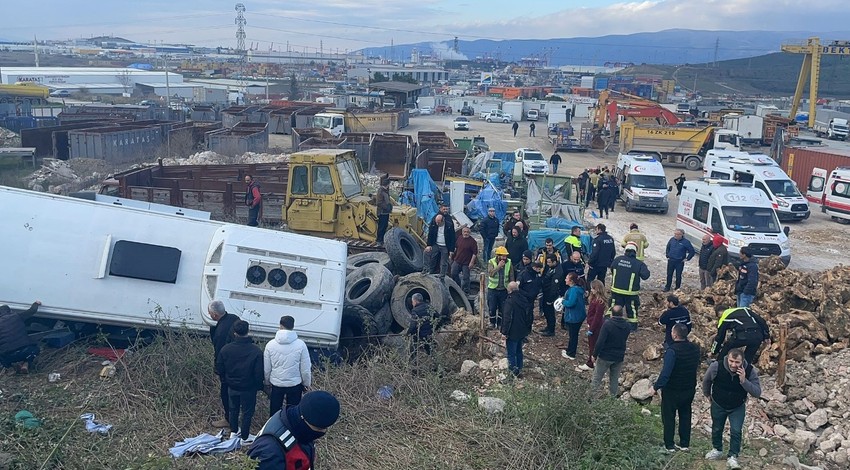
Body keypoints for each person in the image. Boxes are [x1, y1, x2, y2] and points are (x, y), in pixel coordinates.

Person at [248, 391, 340, 470]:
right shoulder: (270, 453)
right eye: (319, 428)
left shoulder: (291, 419)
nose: (323, 432)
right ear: (304, 420)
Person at [702, 349, 762, 470]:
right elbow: (706, 381)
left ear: (742, 361)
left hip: (737, 406)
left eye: (737, 362)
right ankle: (717, 449)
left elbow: (757, 392)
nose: (734, 365)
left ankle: (733, 456)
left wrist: (744, 381)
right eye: (731, 361)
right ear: (727, 359)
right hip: (718, 403)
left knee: (736, 430)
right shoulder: (716, 366)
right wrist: (707, 394)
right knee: (717, 428)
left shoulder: (750, 370)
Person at [653, 323, 701, 453]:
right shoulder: (695, 349)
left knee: (669, 416)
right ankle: (685, 444)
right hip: (689, 387)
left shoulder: (672, 351)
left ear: (674, 334)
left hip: (672, 389)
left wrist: (656, 387)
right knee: (685, 415)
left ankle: (669, 445)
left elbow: (666, 373)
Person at [216, 320, 264, 443]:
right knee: (247, 412)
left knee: (233, 409)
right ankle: (245, 436)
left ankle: (233, 431)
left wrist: (225, 380)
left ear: (234, 332)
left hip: (231, 386)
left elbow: (219, 368)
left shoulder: (225, 349)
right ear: (248, 331)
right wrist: (258, 386)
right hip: (249, 388)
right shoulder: (256, 351)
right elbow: (259, 373)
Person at [264, 316, 312, 416]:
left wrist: (267, 381)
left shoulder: (270, 344)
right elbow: (305, 368)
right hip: (295, 384)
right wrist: (306, 383)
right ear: (293, 326)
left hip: (276, 383)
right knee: (294, 412)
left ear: (280, 325)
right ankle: (291, 430)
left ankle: (273, 429)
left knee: (274, 411)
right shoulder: (301, 345)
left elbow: (267, 368)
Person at [209, 300, 239, 428]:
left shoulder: (220, 331)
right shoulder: (234, 318)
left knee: (226, 393)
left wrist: (218, 369)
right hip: (240, 363)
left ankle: (229, 419)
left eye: (210, 313)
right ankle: (236, 417)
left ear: (215, 315)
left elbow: (219, 352)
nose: (209, 315)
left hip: (228, 368)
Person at [609, 242, 650, 331]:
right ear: (635, 252)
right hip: (631, 292)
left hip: (616, 290)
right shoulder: (638, 264)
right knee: (631, 309)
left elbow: (612, 269)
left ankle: (609, 324)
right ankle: (632, 327)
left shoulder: (617, 260)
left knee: (613, 307)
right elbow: (646, 275)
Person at [591, 305, 630, 397]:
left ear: (612, 314)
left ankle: (591, 399)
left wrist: (594, 355)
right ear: (622, 314)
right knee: (614, 379)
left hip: (605, 356)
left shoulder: (608, 324)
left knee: (597, 378)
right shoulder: (627, 325)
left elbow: (600, 341)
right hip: (619, 356)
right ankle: (612, 400)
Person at [0, 301, 42, 374]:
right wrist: (36, 303)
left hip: (8, 356)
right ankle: (26, 364)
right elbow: (32, 311)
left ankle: (10, 368)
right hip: (25, 351)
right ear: (10, 311)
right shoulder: (17, 316)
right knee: (36, 349)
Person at [501, 281, 532, 377]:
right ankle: (519, 369)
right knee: (519, 351)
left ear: (509, 290)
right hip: (522, 330)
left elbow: (507, 318)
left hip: (513, 331)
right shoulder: (524, 299)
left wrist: (504, 332)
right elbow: (529, 315)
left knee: (511, 353)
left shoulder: (510, 301)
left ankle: (513, 372)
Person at [577, 280, 606, 372]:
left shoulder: (599, 302)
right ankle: (593, 362)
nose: (591, 290)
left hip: (595, 326)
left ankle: (591, 363)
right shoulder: (595, 299)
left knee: (593, 345)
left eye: (593, 288)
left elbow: (597, 317)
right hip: (592, 324)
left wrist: (591, 329)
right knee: (592, 345)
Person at [487, 246, 515, 328]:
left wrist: (511, 287)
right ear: (498, 255)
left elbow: (511, 275)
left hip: (504, 289)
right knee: (492, 307)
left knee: (502, 308)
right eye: (502, 256)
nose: (504, 258)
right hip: (493, 289)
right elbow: (491, 274)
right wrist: (498, 266)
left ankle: (500, 323)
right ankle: (492, 323)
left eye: (505, 256)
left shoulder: (509, 262)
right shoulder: (491, 262)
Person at [561, 273, 587, 360]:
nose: (565, 280)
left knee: (573, 335)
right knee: (573, 334)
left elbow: (571, 303)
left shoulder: (573, 290)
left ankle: (571, 353)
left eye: (566, 278)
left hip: (574, 317)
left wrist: (563, 302)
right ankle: (570, 350)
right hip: (579, 315)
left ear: (571, 281)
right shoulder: (579, 289)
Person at [538, 254, 564, 336]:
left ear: (554, 262)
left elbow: (554, 287)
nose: (548, 264)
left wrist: (550, 300)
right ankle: (548, 326)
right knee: (546, 311)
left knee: (550, 313)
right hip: (546, 292)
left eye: (549, 262)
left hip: (550, 295)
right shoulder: (552, 268)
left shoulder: (558, 271)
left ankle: (551, 330)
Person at [425, 207, 456, 278]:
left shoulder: (449, 222)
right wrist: (429, 245)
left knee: (444, 262)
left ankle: (442, 276)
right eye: (443, 209)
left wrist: (451, 249)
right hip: (436, 244)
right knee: (430, 256)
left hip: (445, 245)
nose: (445, 211)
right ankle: (428, 271)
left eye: (446, 209)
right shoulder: (434, 219)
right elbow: (431, 234)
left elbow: (452, 237)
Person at [450, 227, 478, 292]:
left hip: (466, 263)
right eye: (464, 232)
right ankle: (457, 288)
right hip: (457, 261)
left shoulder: (473, 241)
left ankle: (466, 291)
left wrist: (472, 262)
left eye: (467, 232)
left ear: (470, 233)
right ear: (462, 232)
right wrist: (452, 254)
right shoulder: (459, 238)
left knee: (466, 277)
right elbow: (456, 247)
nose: (466, 233)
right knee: (453, 274)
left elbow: (475, 253)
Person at [408, 293, 435, 357]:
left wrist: (408, 333)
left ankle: (414, 363)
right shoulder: (429, 307)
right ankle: (433, 362)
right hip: (430, 334)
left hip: (421, 335)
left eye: (412, 302)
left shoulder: (415, 310)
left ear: (415, 301)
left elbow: (413, 325)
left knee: (413, 350)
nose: (412, 304)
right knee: (430, 351)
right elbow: (437, 317)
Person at [373, 178, 392, 244]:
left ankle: (382, 239)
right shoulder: (381, 191)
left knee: (385, 226)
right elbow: (378, 202)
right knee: (381, 226)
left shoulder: (385, 191)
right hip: (382, 212)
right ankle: (379, 240)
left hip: (385, 212)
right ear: (387, 184)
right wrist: (386, 207)